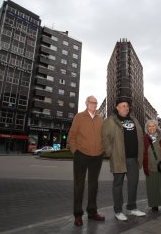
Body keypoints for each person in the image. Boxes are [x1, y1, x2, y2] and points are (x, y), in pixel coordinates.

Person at [102, 98, 146, 221]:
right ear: (117, 107)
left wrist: (140, 154)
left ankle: (132, 208)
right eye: (123, 106)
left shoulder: (134, 120)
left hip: (133, 159)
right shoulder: (110, 121)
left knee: (133, 184)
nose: (125, 108)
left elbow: (140, 137)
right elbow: (105, 138)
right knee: (118, 184)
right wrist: (111, 153)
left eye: (127, 106)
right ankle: (118, 211)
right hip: (119, 158)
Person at [68, 95, 105, 226]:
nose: (94, 105)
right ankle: (78, 215)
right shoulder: (79, 117)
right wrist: (75, 151)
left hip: (97, 156)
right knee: (79, 185)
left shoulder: (101, 119)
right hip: (81, 155)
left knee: (93, 185)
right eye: (91, 102)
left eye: (96, 103)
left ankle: (92, 212)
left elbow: (104, 136)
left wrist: (103, 149)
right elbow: (71, 135)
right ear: (86, 103)